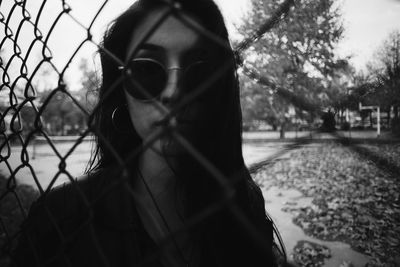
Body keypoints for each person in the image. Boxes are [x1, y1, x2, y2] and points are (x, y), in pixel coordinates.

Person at [12, 0, 285, 266]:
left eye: (201, 73)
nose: (173, 93)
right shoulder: (60, 217)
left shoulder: (244, 203)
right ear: (121, 89)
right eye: (147, 70)